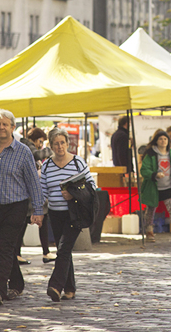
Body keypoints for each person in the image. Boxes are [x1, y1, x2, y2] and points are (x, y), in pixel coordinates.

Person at [0, 109, 43, 306]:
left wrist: (38, 210)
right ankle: (17, 282)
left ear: (13, 128)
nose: (1, 127)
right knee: (3, 247)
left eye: (5, 124)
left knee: (4, 246)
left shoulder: (23, 152)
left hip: (16, 207)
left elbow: (33, 182)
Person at [40, 128, 96, 302]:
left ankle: (55, 285)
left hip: (75, 215)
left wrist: (73, 194)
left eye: (62, 142)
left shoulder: (78, 163)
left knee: (63, 249)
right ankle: (70, 289)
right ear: (51, 145)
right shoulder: (47, 165)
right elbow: (42, 191)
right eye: (56, 143)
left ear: (67, 143)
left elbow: (91, 187)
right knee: (64, 251)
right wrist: (37, 212)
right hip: (55, 215)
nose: (60, 146)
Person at [140, 130, 171, 243]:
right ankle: (149, 231)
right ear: (156, 141)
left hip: (169, 187)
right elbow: (144, 170)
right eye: (160, 139)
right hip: (154, 187)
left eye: (165, 139)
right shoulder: (151, 154)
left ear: (169, 141)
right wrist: (154, 174)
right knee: (151, 210)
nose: (163, 141)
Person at [17, 127, 52, 265]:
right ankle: (43, 252)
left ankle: (44, 251)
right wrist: (50, 150)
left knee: (29, 220)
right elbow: (37, 155)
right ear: (35, 139)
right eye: (40, 141)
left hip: (30, 191)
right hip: (30, 191)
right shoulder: (27, 145)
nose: (41, 145)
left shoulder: (25, 145)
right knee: (27, 221)